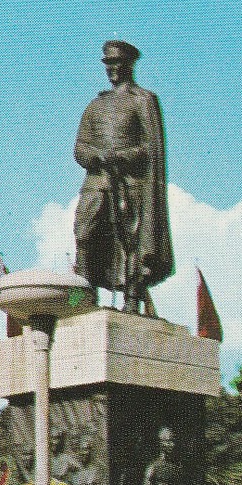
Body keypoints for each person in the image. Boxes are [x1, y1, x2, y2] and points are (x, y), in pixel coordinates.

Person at [72, 40, 173, 314]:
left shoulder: (143, 100)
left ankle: (131, 299)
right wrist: (92, 156)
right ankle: (84, 297)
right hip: (96, 181)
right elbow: (79, 146)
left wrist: (123, 156)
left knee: (130, 242)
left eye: (117, 64)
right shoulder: (95, 105)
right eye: (108, 65)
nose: (112, 70)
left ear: (129, 65)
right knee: (84, 234)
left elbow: (151, 148)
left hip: (130, 184)